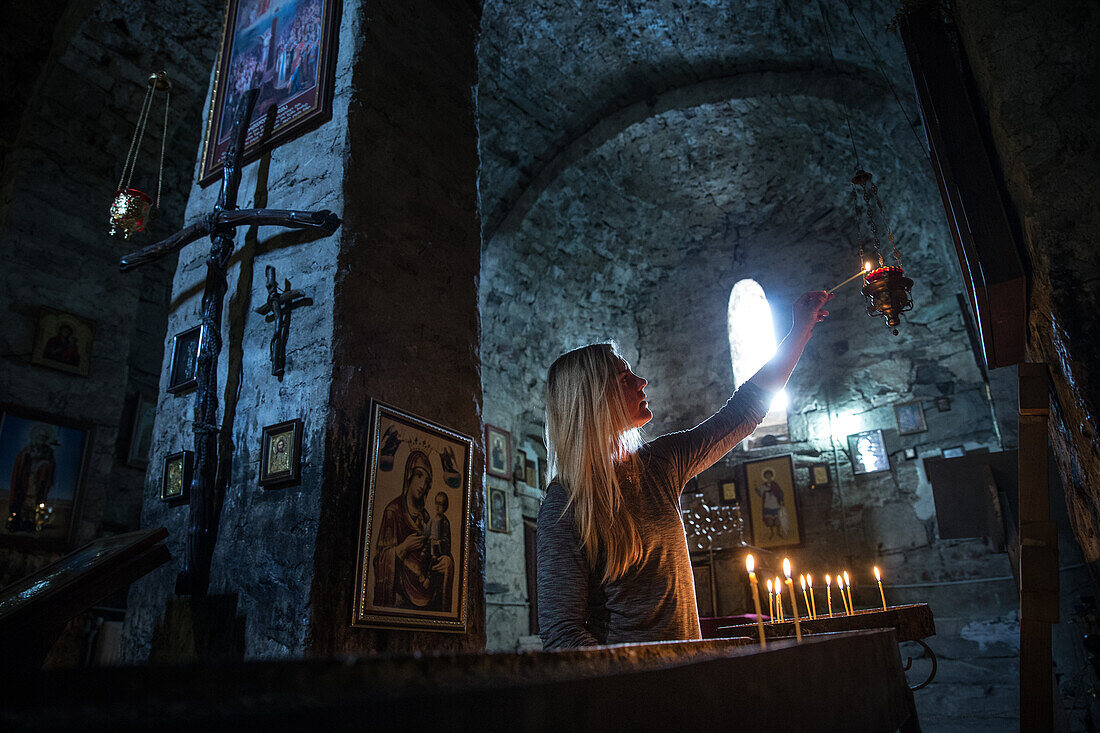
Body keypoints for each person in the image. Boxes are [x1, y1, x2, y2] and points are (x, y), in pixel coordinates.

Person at [537, 290, 831, 649]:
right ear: (593, 399)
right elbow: (561, 634)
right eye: (623, 378)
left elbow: (743, 413)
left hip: (686, 675)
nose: (641, 382)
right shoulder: (566, 502)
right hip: (633, 692)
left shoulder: (660, 464)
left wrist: (798, 331)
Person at [372, 451, 454, 611]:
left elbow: (435, 551)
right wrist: (403, 547)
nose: (422, 485)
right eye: (418, 475)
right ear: (409, 475)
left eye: (427, 481)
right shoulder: (393, 511)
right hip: (401, 596)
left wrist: (447, 562)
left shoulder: (426, 516)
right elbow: (378, 559)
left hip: (428, 593)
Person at [7, 424, 57, 533]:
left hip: (38, 481)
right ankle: (18, 520)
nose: (42, 440)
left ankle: (31, 522)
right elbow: (21, 461)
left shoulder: (48, 452)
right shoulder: (28, 450)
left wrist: (45, 466)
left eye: (44, 438)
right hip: (27, 479)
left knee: (35, 502)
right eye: (40, 438)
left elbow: (50, 465)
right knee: (23, 501)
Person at [755, 468, 785, 539]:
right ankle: (772, 533)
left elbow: (780, 492)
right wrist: (756, 489)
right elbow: (761, 494)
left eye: (769, 475)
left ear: (771, 476)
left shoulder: (774, 484)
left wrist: (781, 500)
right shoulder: (764, 485)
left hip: (775, 502)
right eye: (766, 475)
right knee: (770, 520)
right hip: (767, 503)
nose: (768, 476)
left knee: (777, 519)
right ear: (765, 477)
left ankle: (778, 532)